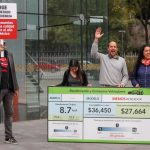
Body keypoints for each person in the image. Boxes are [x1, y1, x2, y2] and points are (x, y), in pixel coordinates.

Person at [0, 39, 19, 144]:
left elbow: (13, 71)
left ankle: (9, 137)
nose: (1, 47)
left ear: (5, 46)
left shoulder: (9, 55)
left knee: (9, 113)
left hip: (9, 89)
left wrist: (15, 87)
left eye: (2, 45)